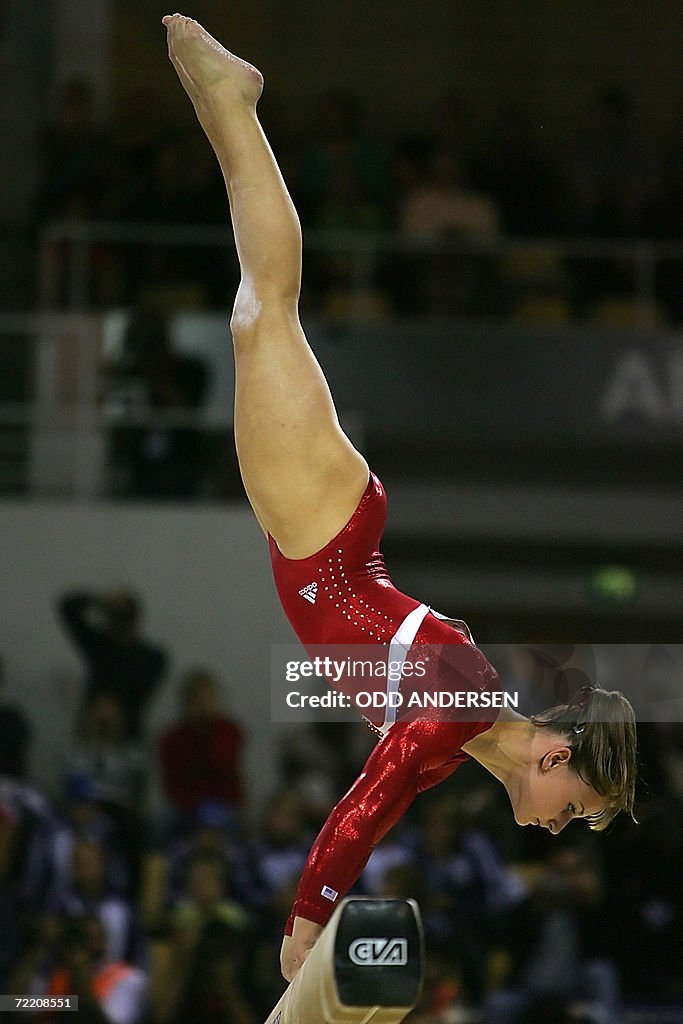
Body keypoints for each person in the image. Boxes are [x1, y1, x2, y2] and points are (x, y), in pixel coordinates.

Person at [161, 14, 638, 984]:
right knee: (266, 307)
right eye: (576, 809)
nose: (560, 829)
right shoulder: (464, 704)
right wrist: (307, 918)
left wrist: (321, 902)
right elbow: (364, 801)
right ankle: (233, 105)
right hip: (325, 537)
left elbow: (385, 790)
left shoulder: (460, 733)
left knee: (260, 309)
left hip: (321, 534)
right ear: (554, 755)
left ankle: (223, 109)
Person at [57, 588, 168, 740]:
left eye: (125, 615)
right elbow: (67, 607)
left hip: (127, 734)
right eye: (114, 614)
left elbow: (141, 697)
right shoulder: (99, 646)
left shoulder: (153, 658)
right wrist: (100, 601)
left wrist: (112, 712)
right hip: (92, 733)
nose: (120, 621)